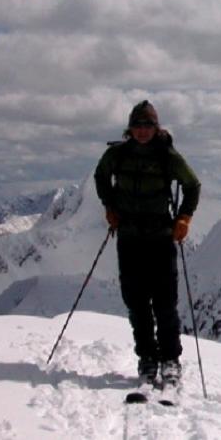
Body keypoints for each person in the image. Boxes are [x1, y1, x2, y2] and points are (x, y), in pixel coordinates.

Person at [94, 100, 201, 388]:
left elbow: (192, 185)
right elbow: (100, 176)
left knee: (165, 304)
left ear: (156, 128)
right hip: (129, 237)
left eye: (148, 126)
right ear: (130, 128)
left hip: (159, 237)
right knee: (137, 304)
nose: (142, 131)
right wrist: (109, 206)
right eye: (138, 126)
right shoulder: (116, 154)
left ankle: (170, 360)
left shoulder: (168, 157)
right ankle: (148, 358)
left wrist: (184, 218)